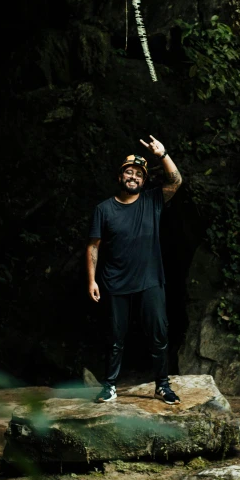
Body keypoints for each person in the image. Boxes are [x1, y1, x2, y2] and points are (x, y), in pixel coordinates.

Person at [86, 135, 183, 404]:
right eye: (129, 172)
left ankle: (162, 386)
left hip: (150, 281)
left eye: (139, 174)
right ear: (120, 177)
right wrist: (91, 280)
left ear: (143, 180)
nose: (133, 177)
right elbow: (93, 246)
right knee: (115, 338)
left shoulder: (152, 201)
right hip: (115, 282)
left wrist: (162, 155)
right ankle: (109, 386)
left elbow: (176, 181)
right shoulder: (104, 209)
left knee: (158, 335)